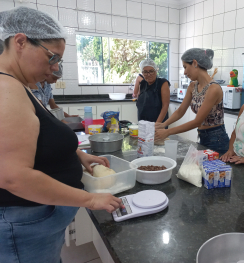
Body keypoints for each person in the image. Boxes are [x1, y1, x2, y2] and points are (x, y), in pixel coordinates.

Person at [0, 7, 122, 263]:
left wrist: (77, 154)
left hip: (34, 226)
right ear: (20, 42)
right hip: (22, 230)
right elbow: (14, 177)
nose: (55, 67)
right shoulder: (6, 90)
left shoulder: (20, 85)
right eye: (52, 57)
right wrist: (91, 199)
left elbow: (40, 138)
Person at [155, 48, 230, 155]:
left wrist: (167, 132)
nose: (185, 72)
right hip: (202, 136)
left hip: (217, 140)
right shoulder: (192, 86)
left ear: (195, 63)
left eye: (185, 67)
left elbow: (197, 121)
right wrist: (164, 124)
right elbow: (180, 111)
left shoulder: (213, 88)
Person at [136, 58, 170, 123]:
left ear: (155, 71)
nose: (148, 74)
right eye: (145, 72)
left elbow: (165, 106)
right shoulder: (142, 84)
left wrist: (157, 124)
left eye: (151, 71)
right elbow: (139, 102)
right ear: (142, 73)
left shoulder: (163, 83)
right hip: (143, 122)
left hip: (158, 123)